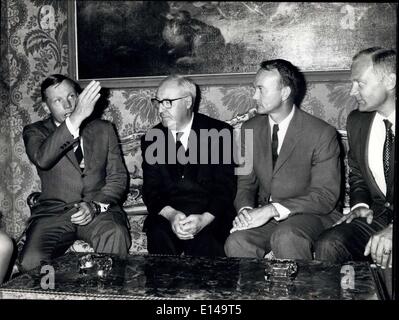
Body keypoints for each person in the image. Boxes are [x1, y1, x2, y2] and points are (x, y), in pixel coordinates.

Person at [224, 59, 342, 260]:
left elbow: (324, 196)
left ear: (285, 93)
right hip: (268, 217)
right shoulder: (249, 129)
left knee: (286, 236)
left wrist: (270, 210)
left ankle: (298, 293)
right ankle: (255, 293)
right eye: (255, 89)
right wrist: (245, 212)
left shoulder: (322, 133)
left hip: (313, 214)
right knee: (237, 241)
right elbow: (245, 183)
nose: (254, 96)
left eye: (261, 90)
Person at [19, 74, 131, 272]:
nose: (68, 105)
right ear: (46, 107)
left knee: (115, 233)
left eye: (72, 97)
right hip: (54, 214)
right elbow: (43, 159)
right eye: (58, 100)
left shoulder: (104, 129)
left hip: (98, 212)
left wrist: (95, 206)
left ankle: (106, 293)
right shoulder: (34, 132)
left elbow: (118, 178)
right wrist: (76, 118)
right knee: (31, 260)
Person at [315, 48, 395, 272]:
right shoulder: (357, 120)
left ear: (390, 81)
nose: (352, 92)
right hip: (378, 217)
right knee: (329, 243)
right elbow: (358, 172)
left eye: (360, 84)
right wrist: (361, 205)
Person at [141, 75, 236, 257]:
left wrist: (204, 219)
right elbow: (150, 190)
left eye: (167, 102)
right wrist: (171, 215)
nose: (160, 109)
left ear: (187, 102)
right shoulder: (152, 138)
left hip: (209, 217)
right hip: (168, 216)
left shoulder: (219, 133)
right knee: (158, 235)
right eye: (158, 102)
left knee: (207, 245)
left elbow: (225, 187)